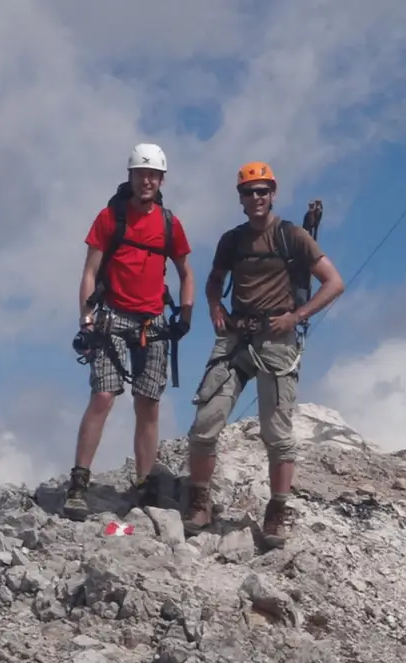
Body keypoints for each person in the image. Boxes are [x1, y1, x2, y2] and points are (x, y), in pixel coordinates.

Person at [182, 161, 345, 546]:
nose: (256, 197)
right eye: (249, 192)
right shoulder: (232, 241)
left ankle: (277, 511)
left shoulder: (292, 237)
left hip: (276, 338)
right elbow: (215, 279)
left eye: (262, 191)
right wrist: (215, 306)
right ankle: (200, 502)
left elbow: (333, 282)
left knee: (277, 432)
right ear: (240, 198)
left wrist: (296, 317)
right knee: (206, 422)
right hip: (237, 336)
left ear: (272, 194)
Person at [63, 143, 195, 520]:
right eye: (141, 174)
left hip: (152, 322)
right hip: (112, 317)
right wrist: (86, 319)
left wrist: (185, 315)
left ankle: (144, 483)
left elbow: (186, 272)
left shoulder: (169, 224)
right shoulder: (110, 218)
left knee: (148, 402)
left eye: (153, 175)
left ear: (162, 180)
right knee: (103, 395)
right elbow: (90, 272)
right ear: (131, 177)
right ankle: (79, 481)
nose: (146, 181)